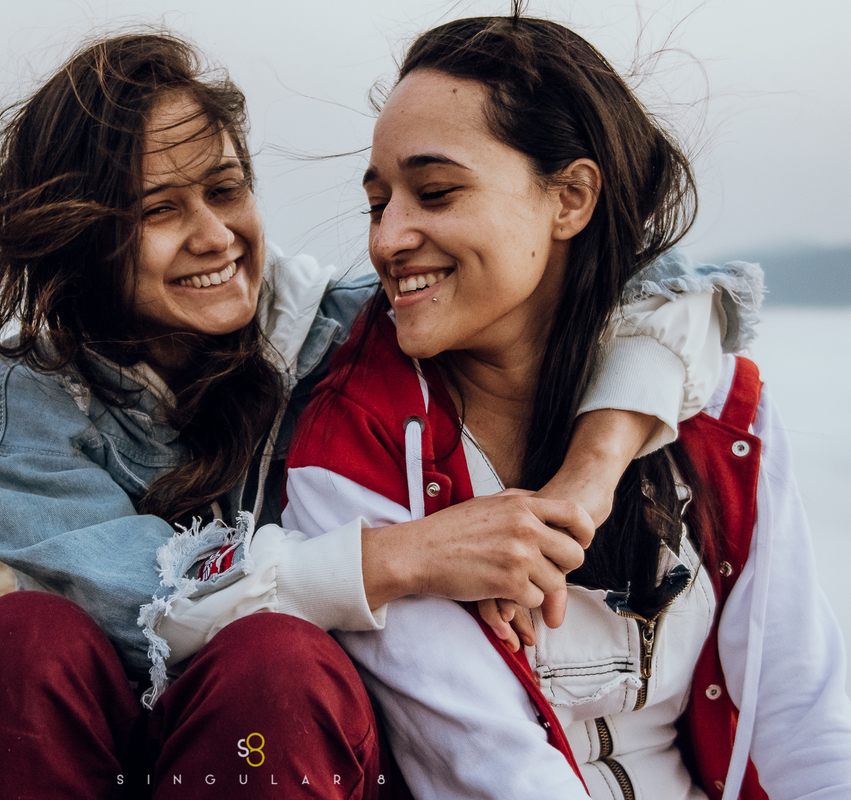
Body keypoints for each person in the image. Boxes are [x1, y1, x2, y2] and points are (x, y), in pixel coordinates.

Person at [0, 29, 759, 799]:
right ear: (76, 235)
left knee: (273, 663)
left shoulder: (346, 328)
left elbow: (662, 286)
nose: (214, 236)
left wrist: (589, 475)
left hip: (287, 752)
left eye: (224, 190)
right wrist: (402, 557)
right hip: (106, 751)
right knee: (13, 645)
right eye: (158, 210)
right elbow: (152, 609)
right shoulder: (28, 408)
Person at [284, 11, 851, 800]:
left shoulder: (721, 412)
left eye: (435, 192)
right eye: (379, 204)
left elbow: (803, 720)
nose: (387, 239)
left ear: (572, 198)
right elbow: (486, 765)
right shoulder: (353, 446)